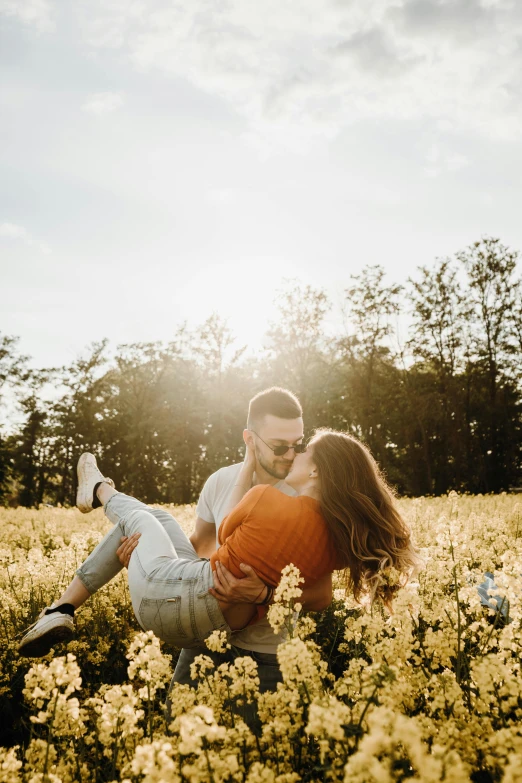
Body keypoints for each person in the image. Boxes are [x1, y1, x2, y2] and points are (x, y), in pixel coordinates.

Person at [18, 424, 419, 660]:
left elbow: (227, 532)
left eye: (303, 451)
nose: (294, 454)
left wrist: (248, 468)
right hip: (209, 626)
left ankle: (99, 488)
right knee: (156, 518)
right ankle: (62, 608)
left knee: (137, 516)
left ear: (314, 471)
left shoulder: (269, 499)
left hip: (171, 599)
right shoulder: (335, 540)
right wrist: (266, 590)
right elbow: (322, 596)